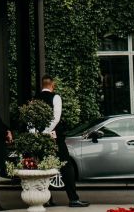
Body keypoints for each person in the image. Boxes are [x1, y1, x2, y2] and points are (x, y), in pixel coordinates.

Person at [38, 75, 89, 208]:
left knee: (44, 167)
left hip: (39, 138)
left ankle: (46, 199)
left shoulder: (34, 98)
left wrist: (39, 134)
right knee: (66, 167)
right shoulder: (56, 97)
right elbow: (56, 118)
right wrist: (47, 132)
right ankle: (73, 199)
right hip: (55, 138)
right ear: (52, 84)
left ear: (42, 85)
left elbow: (31, 121)